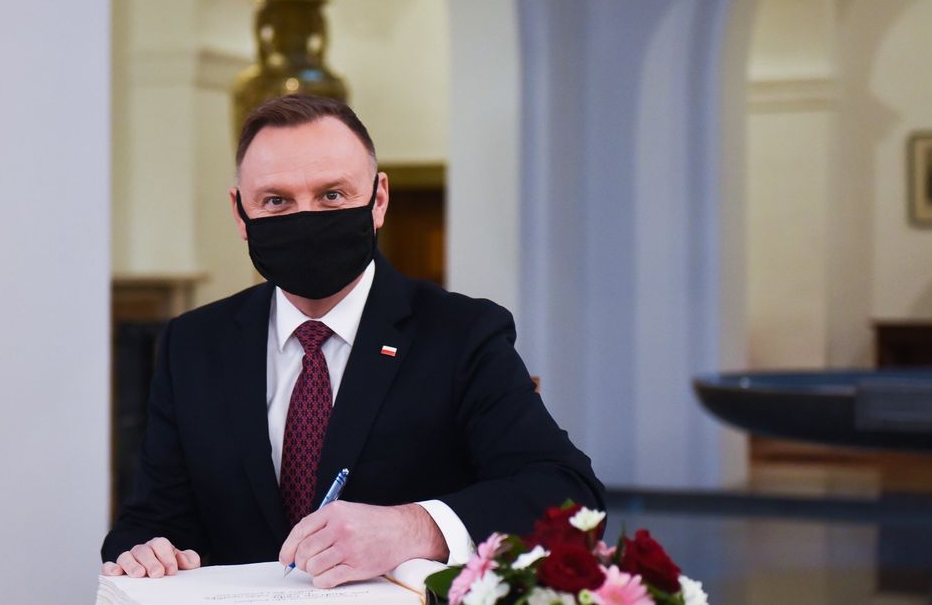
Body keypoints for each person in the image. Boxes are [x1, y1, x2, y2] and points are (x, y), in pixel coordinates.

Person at [101, 94, 603, 588]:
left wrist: (412, 528)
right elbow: (153, 517)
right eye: (276, 201)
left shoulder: (461, 334)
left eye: (331, 196)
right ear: (240, 213)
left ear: (378, 199)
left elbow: (569, 495)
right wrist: (146, 551)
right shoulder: (194, 344)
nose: (306, 219)